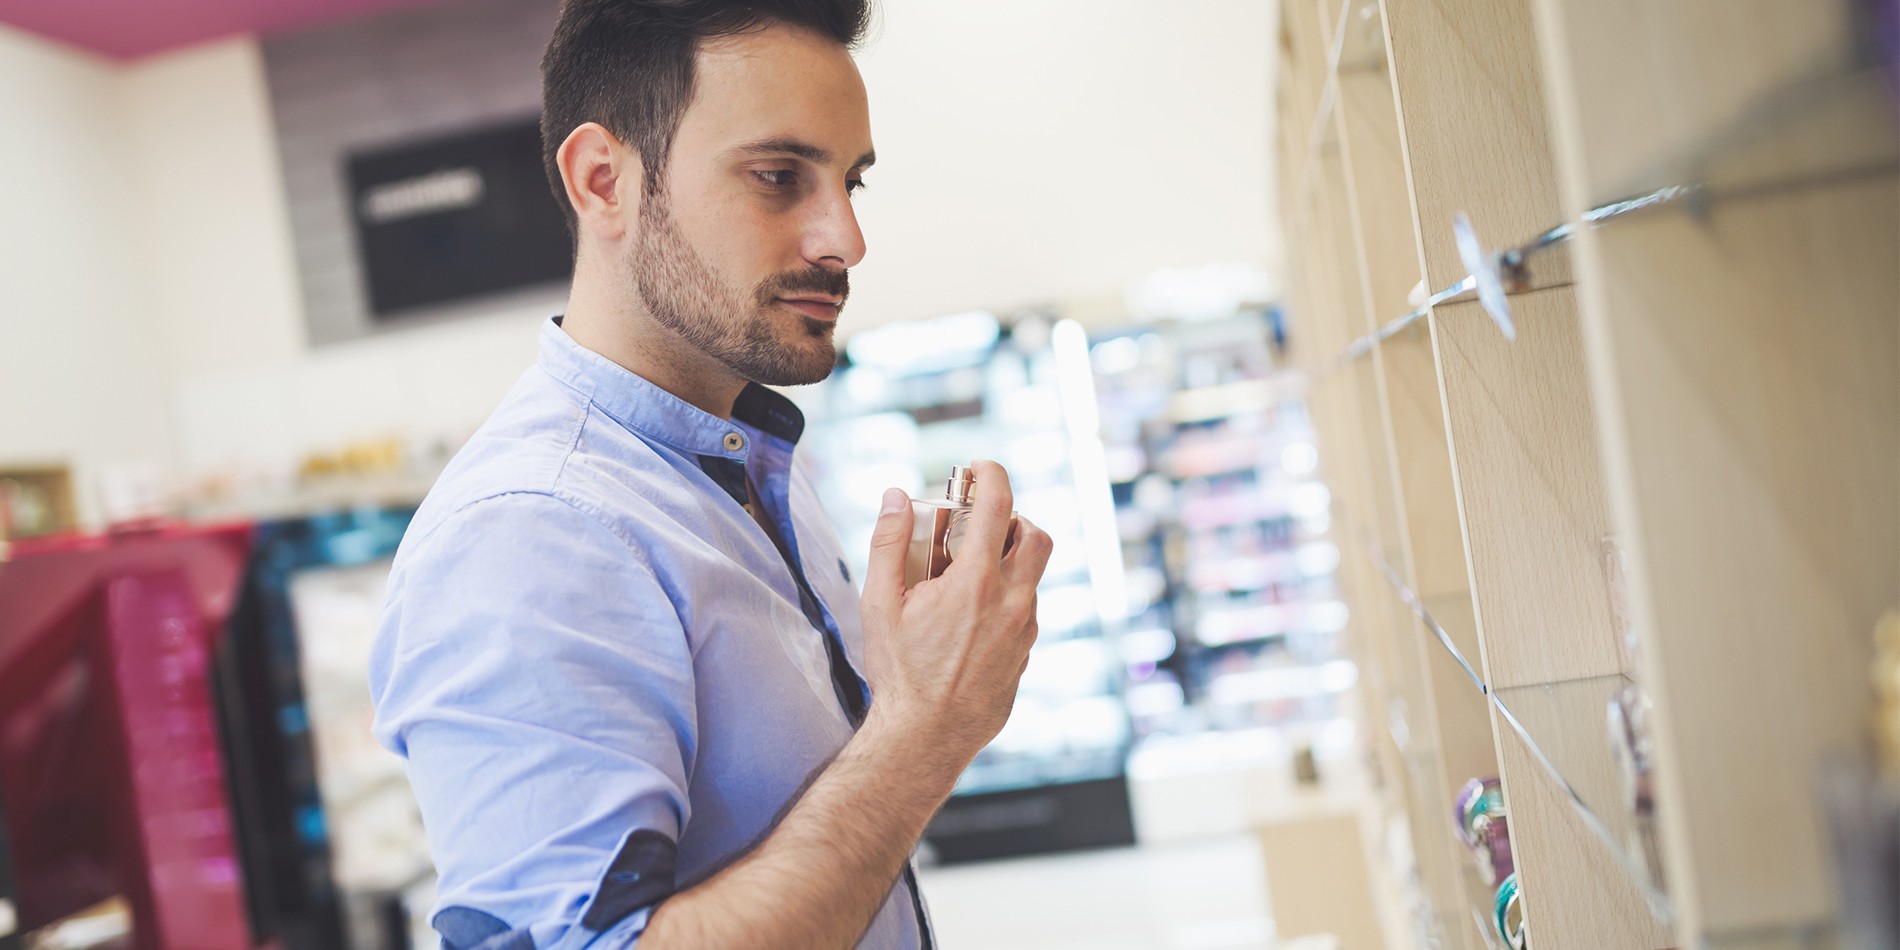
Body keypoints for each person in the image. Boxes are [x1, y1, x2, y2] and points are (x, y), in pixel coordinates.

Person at [367, 1, 1054, 948]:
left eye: (851, 182)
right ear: (603, 180)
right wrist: (922, 730)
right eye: (780, 177)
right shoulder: (532, 533)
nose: (845, 238)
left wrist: (928, 677)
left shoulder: (747, 461)